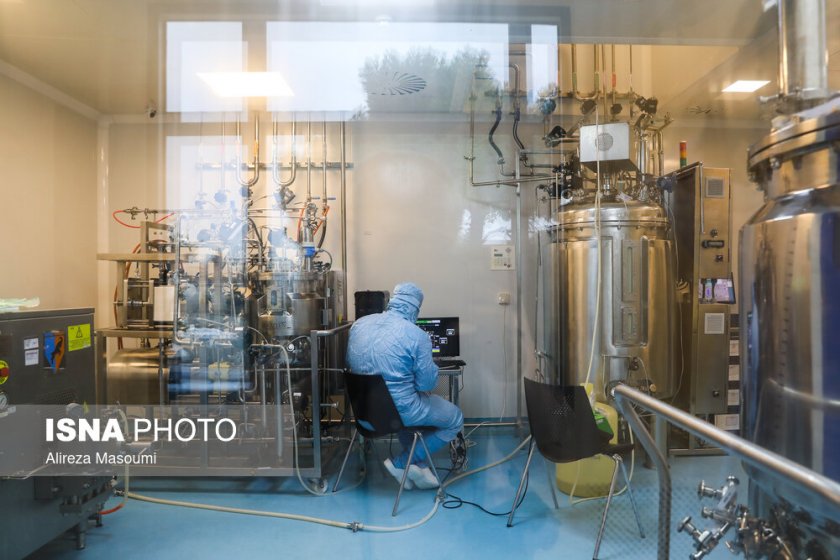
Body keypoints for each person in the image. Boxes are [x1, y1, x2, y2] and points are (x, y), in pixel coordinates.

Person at [346, 282, 464, 489]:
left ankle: (419, 465)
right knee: (454, 419)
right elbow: (426, 383)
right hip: (398, 413)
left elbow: (351, 363)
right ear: (415, 308)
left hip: (364, 412)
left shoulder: (359, 324)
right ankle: (401, 463)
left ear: (392, 301)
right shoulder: (416, 335)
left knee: (407, 408)